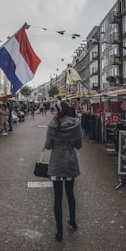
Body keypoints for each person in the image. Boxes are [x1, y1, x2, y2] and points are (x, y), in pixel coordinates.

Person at [45, 100, 83, 241]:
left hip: (57, 163)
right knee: (70, 194)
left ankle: (59, 231)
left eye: (55, 110)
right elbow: (79, 146)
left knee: (58, 198)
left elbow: (48, 146)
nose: (54, 112)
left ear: (60, 111)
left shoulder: (53, 125)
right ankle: (72, 221)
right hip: (70, 162)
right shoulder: (76, 124)